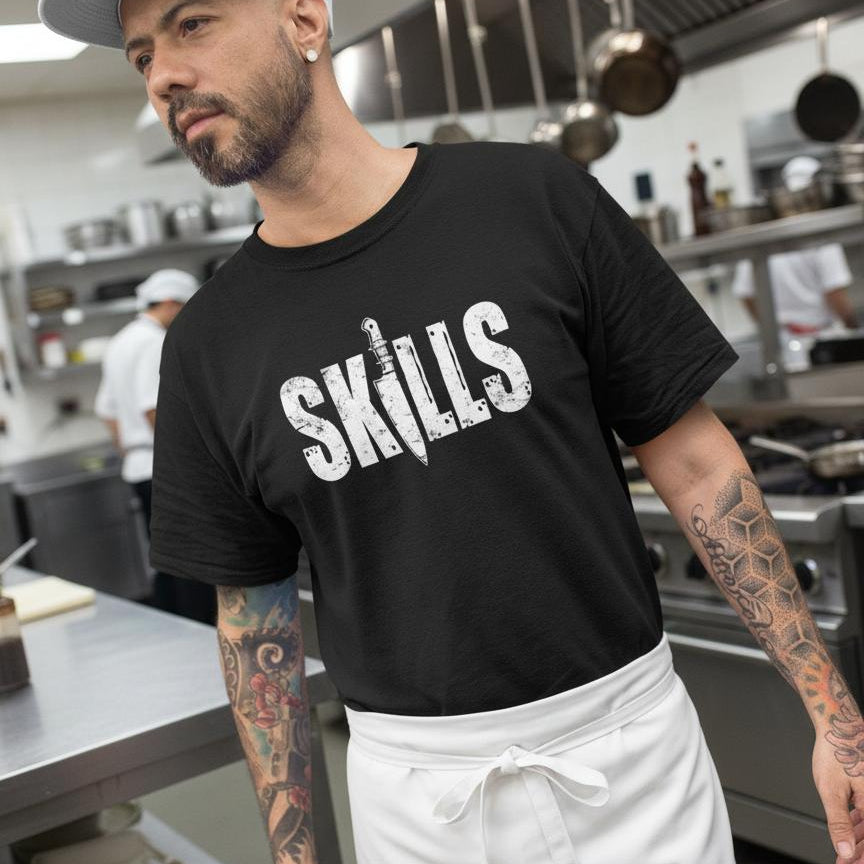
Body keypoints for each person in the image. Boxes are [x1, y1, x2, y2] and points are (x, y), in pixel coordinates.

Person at [40, 1, 864, 862]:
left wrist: (834, 717)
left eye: (192, 23)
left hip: (633, 757)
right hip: (419, 804)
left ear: (304, 17)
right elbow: (255, 628)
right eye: (141, 56)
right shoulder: (209, 348)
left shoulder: (535, 200)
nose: (164, 74)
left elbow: (696, 466)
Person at [94, 268, 215, 625]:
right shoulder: (152, 342)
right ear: (167, 304)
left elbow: (107, 411)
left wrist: (127, 450)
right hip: (164, 469)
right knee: (193, 564)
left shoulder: (120, 342)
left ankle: (172, 631)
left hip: (138, 469)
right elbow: (154, 407)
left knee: (168, 559)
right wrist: (188, 461)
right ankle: (197, 633)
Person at [732, 243, 860, 336]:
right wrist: (854, 329)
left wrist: (770, 330)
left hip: (781, 341)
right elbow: (836, 296)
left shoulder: (756, 242)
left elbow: (746, 296)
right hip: (822, 337)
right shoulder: (823, 240)